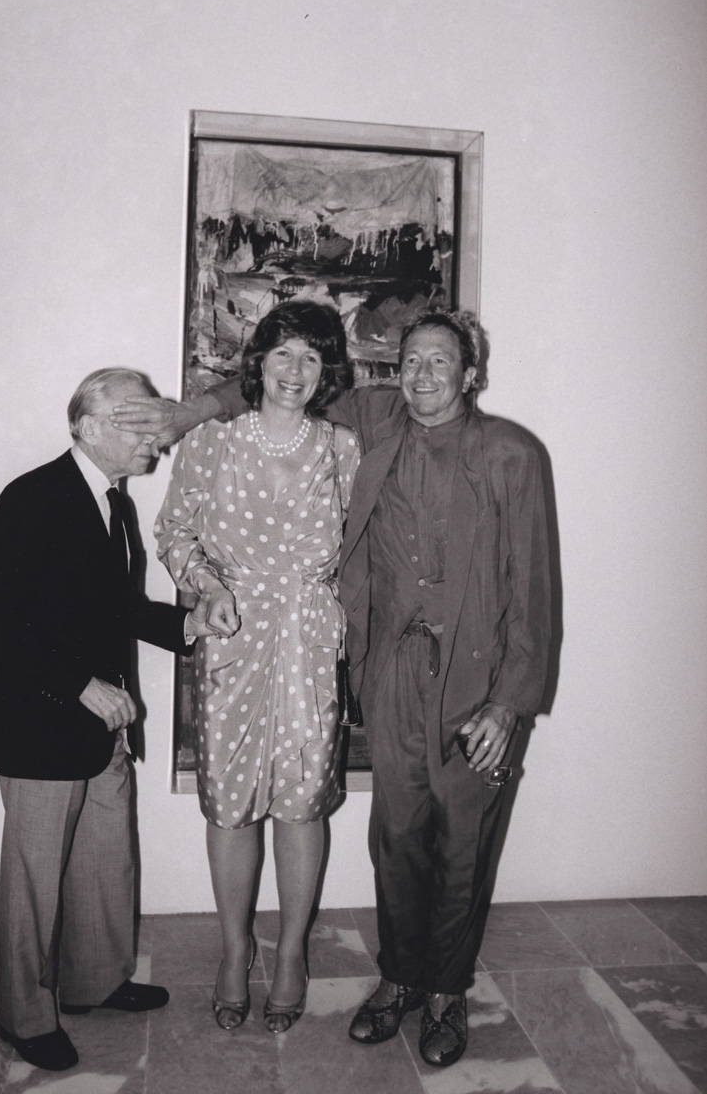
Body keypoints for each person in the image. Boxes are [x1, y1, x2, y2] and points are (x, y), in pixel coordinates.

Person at [113, 307, 550, 1069]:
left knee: (457, 841)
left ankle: (440, 992)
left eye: (439, 361)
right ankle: (395, 978)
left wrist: (510, 701)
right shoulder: (372, 423)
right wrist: (187, 411)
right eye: (409, 360)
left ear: (470, 373)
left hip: (455, 675)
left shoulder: (499, 452)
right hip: (373, 668)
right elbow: (252, 399)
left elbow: (535, 588)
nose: (421, 375)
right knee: (396, 838)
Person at [0, 367, 217, 1072]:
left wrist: (191, 623)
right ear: (89, 425)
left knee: (107, 858)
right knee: (35, 878)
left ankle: (94, 981)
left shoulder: (114, 503)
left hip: (103, 721)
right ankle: (23, 1014)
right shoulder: (35, 496)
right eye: (140, 424)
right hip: (43, 716)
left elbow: (115, 609)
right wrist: (80, 685)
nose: (156, 439)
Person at [153, 301, 360, 1034]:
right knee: (231, 799)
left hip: (306, 637)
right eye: (282, 355)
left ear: (326, 368)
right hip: (232, 638)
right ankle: (234, 950)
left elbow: (359, 547)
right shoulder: (211, 441)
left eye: (311, 357)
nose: (295, 372)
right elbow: (173, 533)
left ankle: (293, 953)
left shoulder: (341, 447)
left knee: (301, 800)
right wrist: (206, 587)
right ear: (258, 363)